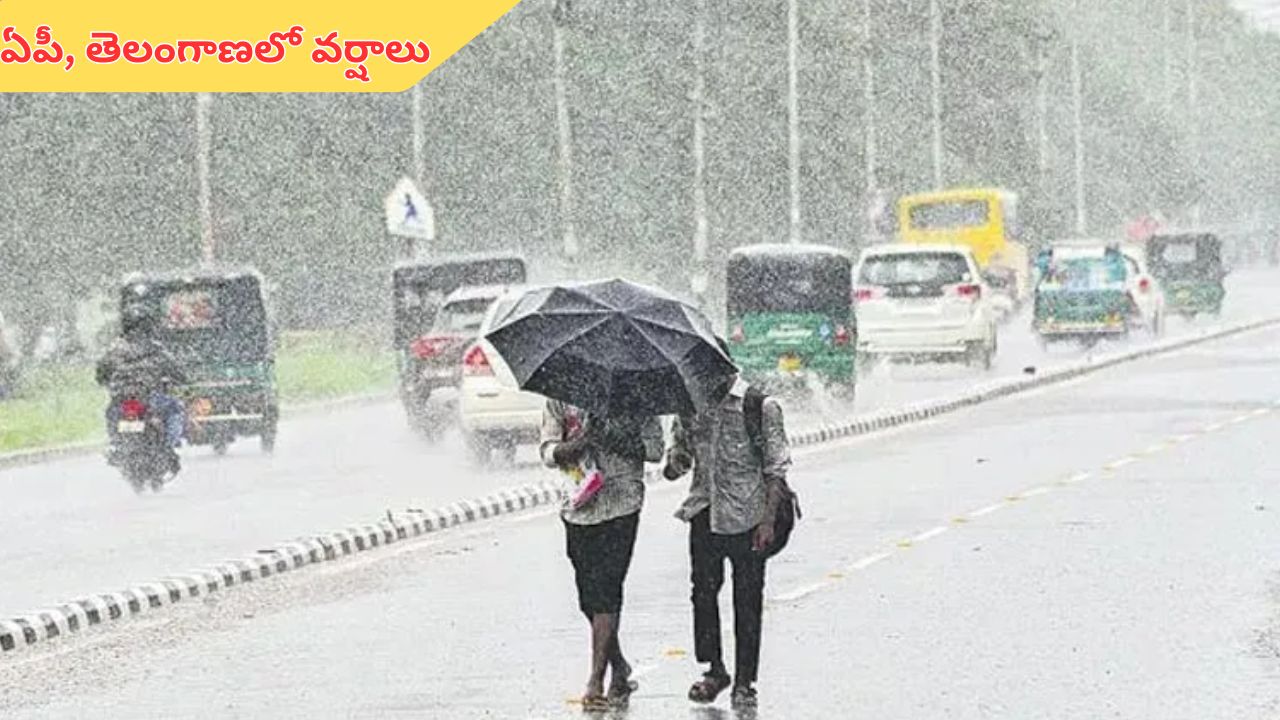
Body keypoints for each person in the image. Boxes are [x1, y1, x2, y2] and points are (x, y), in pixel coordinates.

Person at [663, 360, 792, 709]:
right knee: (703, 594)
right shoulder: (689, 405)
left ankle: (745, 681)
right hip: (703, 512)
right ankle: (714, 669)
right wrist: (674, 462)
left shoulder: (759, 406)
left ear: (723, 370)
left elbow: (775, 469)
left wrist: (767, 521)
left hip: (748, 515)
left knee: (747, 601)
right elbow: (679, 460)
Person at [541, 399, 663, 711]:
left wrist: (612, 435)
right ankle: (619, 666)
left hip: (622, 504)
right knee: (588, 599)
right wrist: (578, 444)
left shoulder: (637, 395)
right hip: (579, 506)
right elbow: (548, 450)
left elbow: (654, 450)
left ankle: (596, 680)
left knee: (608, 590)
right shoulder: (560, 395)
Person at [95, 303, 188, 474]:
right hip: (150, 398)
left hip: (121, 400)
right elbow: (178, 373)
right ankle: (169, 446)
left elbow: (101, 374)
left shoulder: (114, 349)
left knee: (111, 413)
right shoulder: (157, 349)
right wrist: (179, 379)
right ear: (149, 325)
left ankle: (116, 444)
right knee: (176, 409)